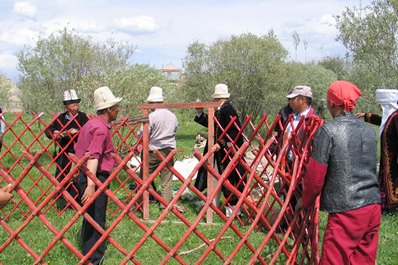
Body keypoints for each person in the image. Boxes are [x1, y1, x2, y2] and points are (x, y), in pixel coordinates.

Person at [299, 80, 381, 264]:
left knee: (333, 261)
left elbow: (315, 176)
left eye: (328, 100)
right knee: (363, 261)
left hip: (347, 210)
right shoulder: (368, 131)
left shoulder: (327, 131)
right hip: (373, 205)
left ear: (333, 103)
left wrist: (304, 201)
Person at [74, 86, 122, 265]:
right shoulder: (101, 129)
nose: (118, 110)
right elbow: (93, 156)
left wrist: (76, 174)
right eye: (116, 107)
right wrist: (92, 184)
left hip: (84, 174)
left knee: (90, 217)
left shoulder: (90, 124)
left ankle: (88, 255)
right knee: (97, 220)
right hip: (94, 177)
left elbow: (78, 150)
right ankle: (95, 260)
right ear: (109, 109)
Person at [194, 83, 246, 217]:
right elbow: (213, 125)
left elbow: (235, 132)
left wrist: (221, 143)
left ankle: (233, 210)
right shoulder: (220, 109)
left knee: (229, 179)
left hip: (226, 152)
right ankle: (213, 203)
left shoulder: (228, 109)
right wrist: (200, 113)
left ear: (218, 98)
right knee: (215, 176)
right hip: (218, 151)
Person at [45, 89, 89, 210]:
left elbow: (90, 132)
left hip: (79, 152)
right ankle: (63, 202)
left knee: (79, 177)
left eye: (77, 104)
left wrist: (79, 132)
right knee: (63, 176)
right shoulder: (61, 117)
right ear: (66, 107)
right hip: (64, 152)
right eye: (73, 104)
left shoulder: (83, 117)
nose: (76, 106)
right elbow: (48, 131)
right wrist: (58, 132)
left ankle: (79, 202)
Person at [141, 86, 182, 212]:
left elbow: (143, 133)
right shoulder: (172, 116)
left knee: (144, 177)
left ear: (154, 102)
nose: (149, 105)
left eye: (149, 103)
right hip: (169, 150)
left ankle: (144, 202)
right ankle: (164, 205)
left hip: (153, 151)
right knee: (167, 179)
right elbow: (175, 130)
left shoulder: (152, 116)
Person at [356, 89, 398, 212]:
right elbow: (384, 121)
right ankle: (387, 205)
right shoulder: (392, 117)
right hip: (388, 158)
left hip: (393, 159)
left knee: (393, 179)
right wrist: (367, 116)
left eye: (381, 106)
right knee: (386, 177)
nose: (380, 108)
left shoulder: (396, 117)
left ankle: (392, 206)